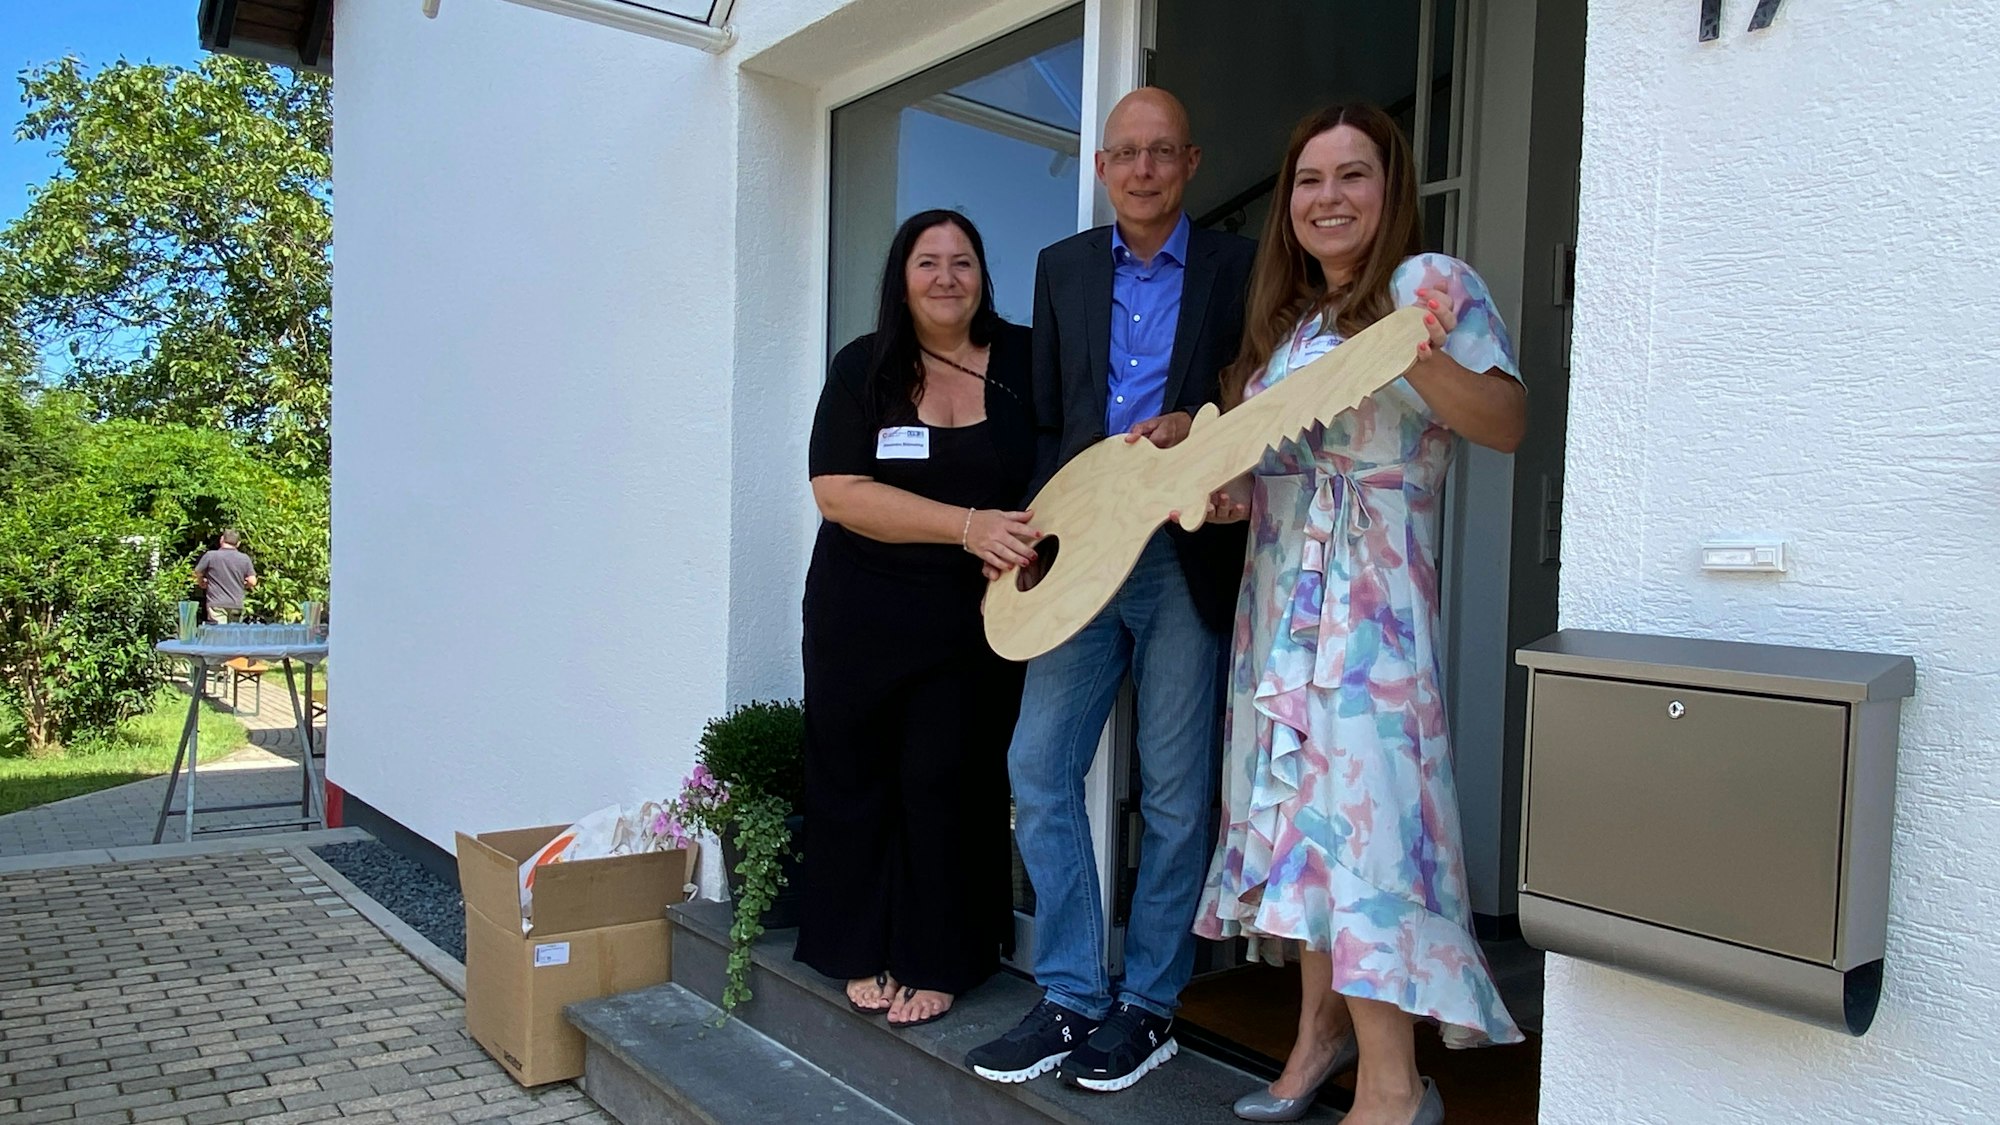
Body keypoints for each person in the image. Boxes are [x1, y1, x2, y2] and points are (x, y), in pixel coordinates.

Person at [1192, 103, 1527, 1125]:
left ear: (1391, 190)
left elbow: (1505, 420)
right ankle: (1315, 1035)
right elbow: (1275, 470)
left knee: (1367, 832)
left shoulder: (1432, 287)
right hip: (1277, 598)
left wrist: (1407, 354)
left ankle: (1393, 1081)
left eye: (1351, 176)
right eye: (1307, 180)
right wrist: (1224, 490)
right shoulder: (1288, 334)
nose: (1326, 198)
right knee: (1293, 822)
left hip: (1371, 610)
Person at [964, 87, 1255, 1093]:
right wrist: (1040, 536)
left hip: (1183, 554)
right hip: (1082, 557)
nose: (1140, 169)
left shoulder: (1237, 264)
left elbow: (1254, 394)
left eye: (1160, 152)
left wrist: (1201, 432)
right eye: (1124, 153)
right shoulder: (1062, 269)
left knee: (1174, 795)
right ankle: (1069, 995)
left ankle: (1147, 1006)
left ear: (1190, 161)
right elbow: (1051, 422)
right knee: (1038, 767)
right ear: (1101, 167)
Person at [794, 209, 1036, 1030]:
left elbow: (1063, 464)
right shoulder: (865, 366)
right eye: (927, 261)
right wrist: (968, 525)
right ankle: (855, 944)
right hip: (859, 610)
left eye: (961, 261)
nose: (944, 276)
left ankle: (941, 958)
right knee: (854, 776)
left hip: (972, 621)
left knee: (950, 783)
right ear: (902, 276)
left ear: (982, 275)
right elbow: (837, 491)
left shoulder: (1024, 362)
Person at [193, 530, 258, 624]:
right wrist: (244, 584)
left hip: (216, 603)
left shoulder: (211, 556)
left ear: (221, 540)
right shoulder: (244, 558)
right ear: (238, 543)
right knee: (234, 634)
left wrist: (201, 582)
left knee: (219, 634)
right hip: (236, 603)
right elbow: (252, 581)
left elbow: (197, 572)